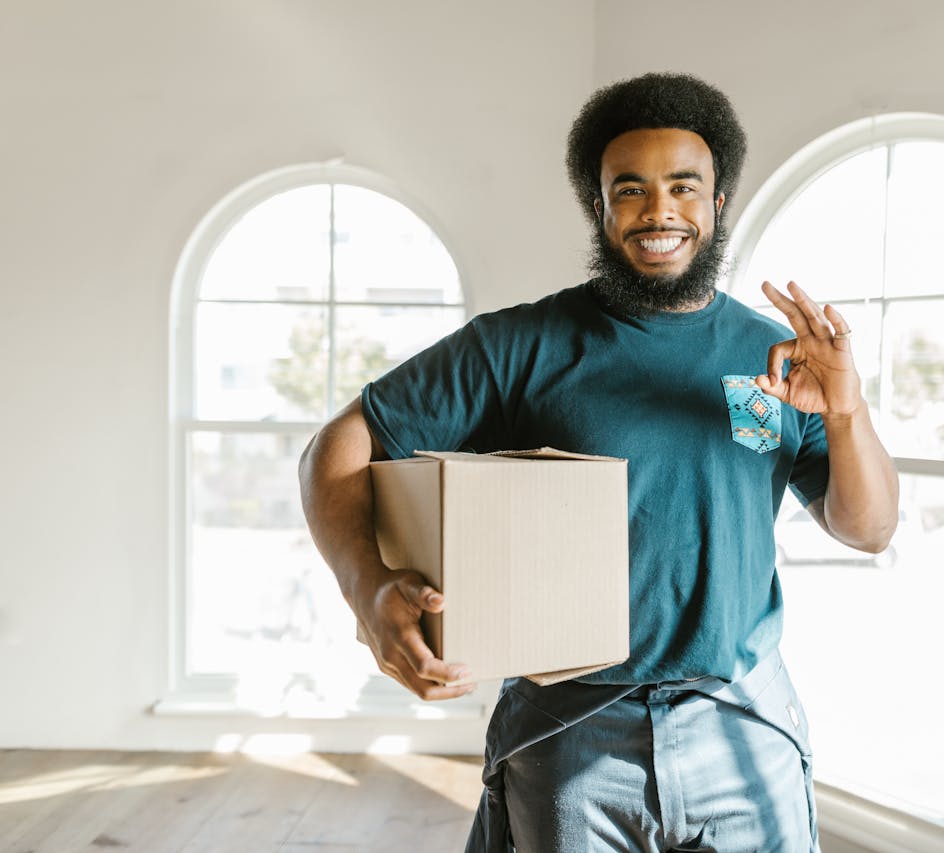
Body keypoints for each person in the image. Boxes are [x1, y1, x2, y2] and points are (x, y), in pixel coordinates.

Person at [299, 72, 899, 852]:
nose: (660, 211)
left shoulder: (776, 355)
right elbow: (337, 445)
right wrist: (366, 587)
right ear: (599, 206)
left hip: (743, 716)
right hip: (570, 729)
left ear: (717, 206)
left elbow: (870, 527)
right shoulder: (519, 346)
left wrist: (846, 414)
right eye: (631, 189)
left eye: (684, 187)